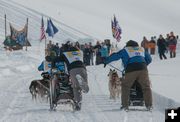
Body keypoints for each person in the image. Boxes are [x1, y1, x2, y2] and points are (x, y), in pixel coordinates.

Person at [104, 40, 153, 111]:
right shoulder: (141, 49)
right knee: (146, 87)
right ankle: (149, 106)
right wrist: (143, 64)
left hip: (131, 69)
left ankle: (125, 106)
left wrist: (106, 61)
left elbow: (116, 56)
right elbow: (149, 59)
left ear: (128, 45)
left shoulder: (126, 50)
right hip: (143, 69)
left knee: (126, 86)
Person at [46, 42, 89, 111]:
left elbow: (55, 59)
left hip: (73, 69)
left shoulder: (66, 54)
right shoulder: (81, 52)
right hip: (83, 68)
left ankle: (78, 104)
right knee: (85, 88)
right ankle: (84, 86)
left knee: (76, 88)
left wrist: (53, 67)